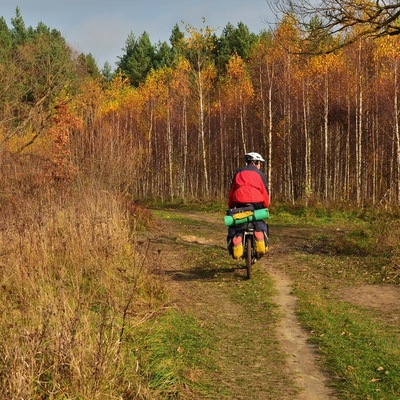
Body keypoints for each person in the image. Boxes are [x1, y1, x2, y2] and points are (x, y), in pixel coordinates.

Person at [227, 152, 270, 258]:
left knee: (236, 225)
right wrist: (265, 205)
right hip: (257, 202)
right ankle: (260, 236)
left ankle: (237, 239)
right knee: (259, 222)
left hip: (240, 202)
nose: (260, 165)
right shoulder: (260, 174)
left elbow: (232, 191)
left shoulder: (238, 172)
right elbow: (265, 192)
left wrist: (231, 205)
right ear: (255, 162)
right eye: (259, 163)